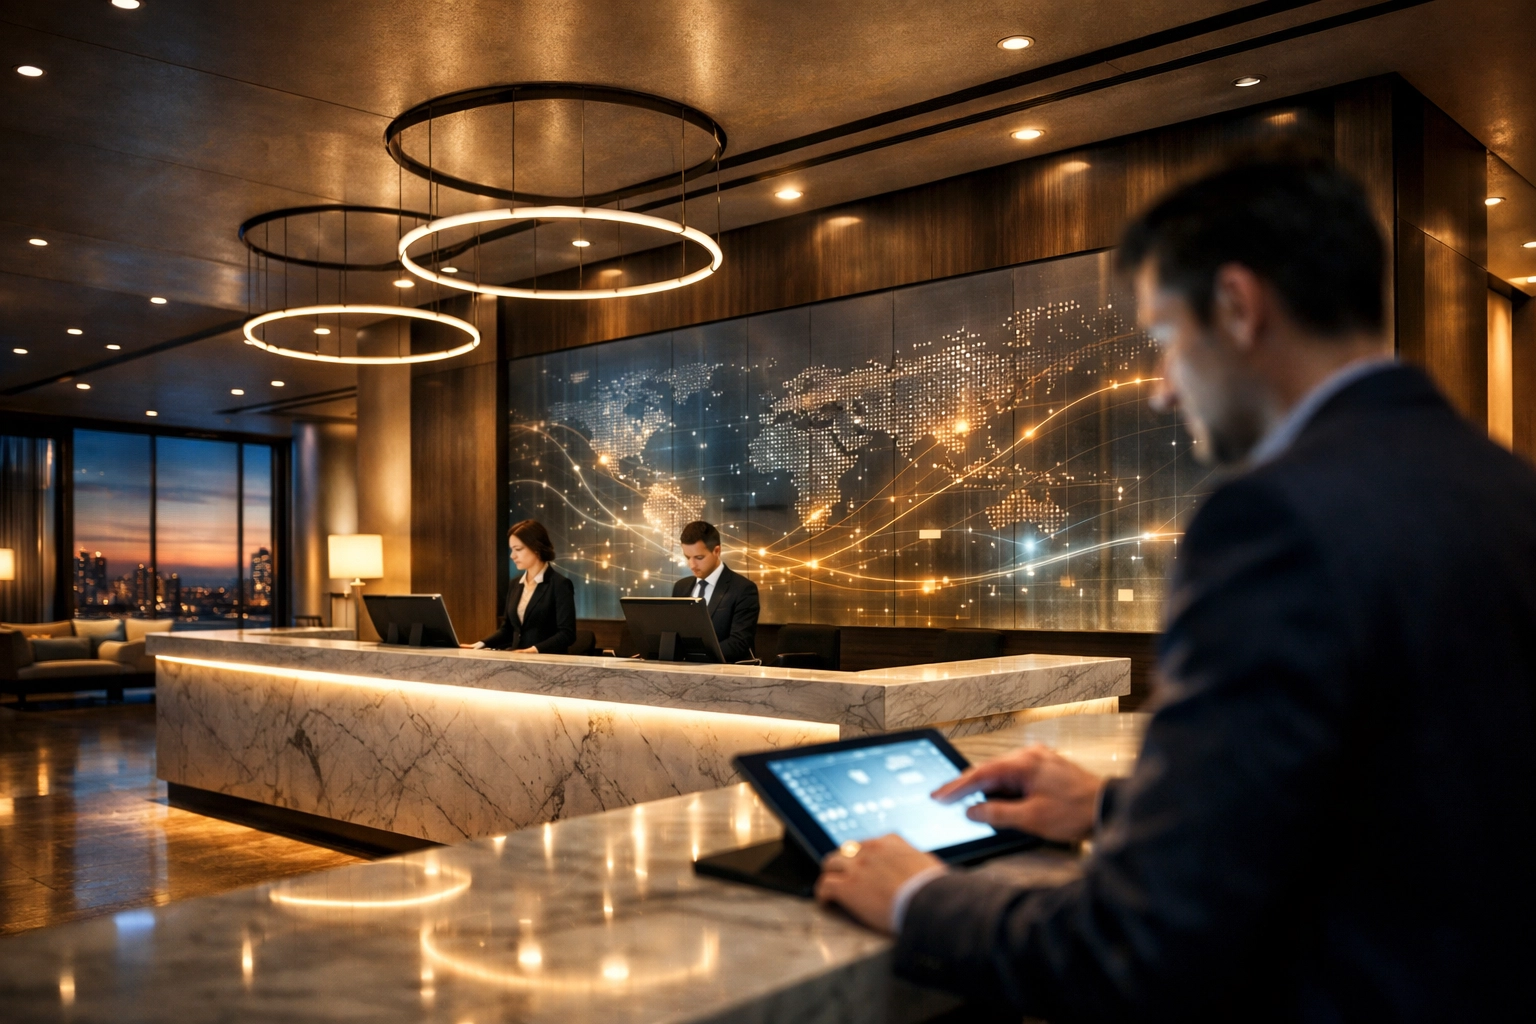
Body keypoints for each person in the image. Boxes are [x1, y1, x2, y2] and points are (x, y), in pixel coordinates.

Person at [814, 155, 1536, 1020]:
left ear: (1237, 306)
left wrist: (916, 898)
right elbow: (1411, 807)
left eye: (1164, 340)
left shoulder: (1272, 521)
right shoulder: (1507, 488)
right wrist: (1113, 806)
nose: (1160, 391)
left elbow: (1138, 947)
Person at [473, 519, 576, 654]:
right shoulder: (515, 584)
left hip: (547, 665)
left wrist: (533, 650)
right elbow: (507, 630)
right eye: (511, 550)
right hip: (517, 663)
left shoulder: (560, 584)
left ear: (536, 548)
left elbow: (567, 634)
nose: (512, 556)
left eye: (518, 549)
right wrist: (480, 644)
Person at [671, 520, 759, 663]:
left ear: (717, 551)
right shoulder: (681, 587)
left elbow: (739, 643)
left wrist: (695, 657)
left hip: (727, 675)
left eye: (699, 558)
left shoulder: (743, 589)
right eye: (688, 557)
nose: (692, 565)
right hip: (683, 673)